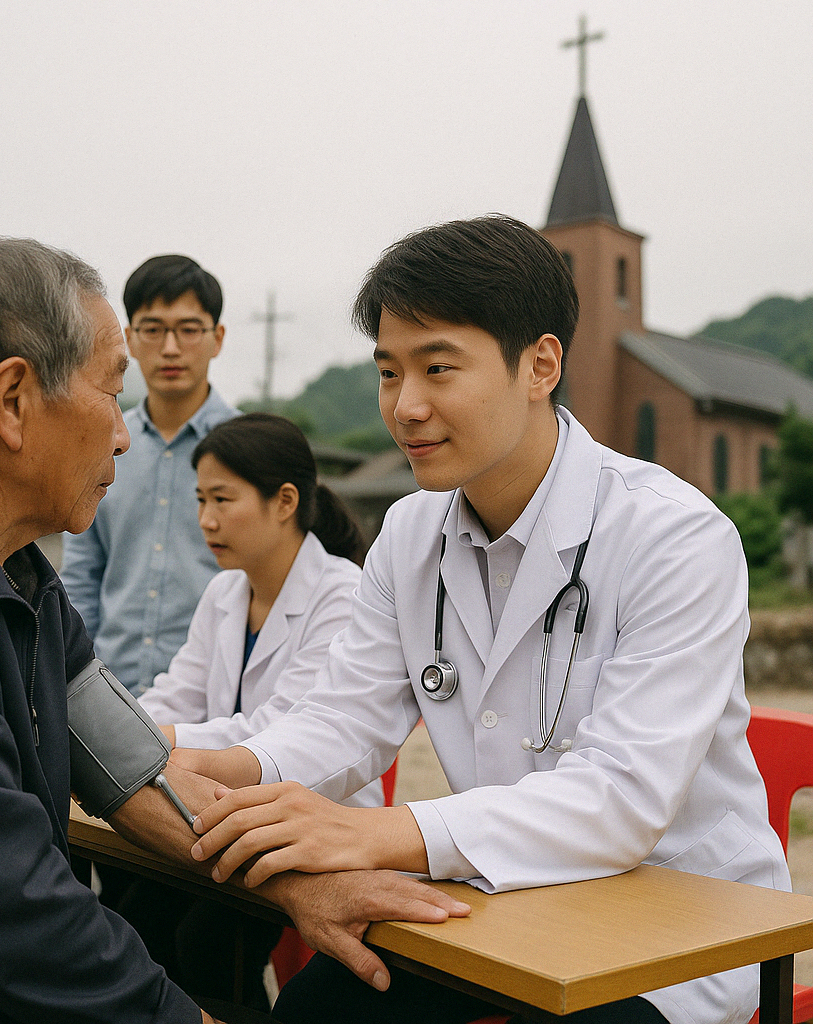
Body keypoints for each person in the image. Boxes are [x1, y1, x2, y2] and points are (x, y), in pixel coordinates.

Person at [0, 237, 471, 1024]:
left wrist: (297, 882)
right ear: (13, 400)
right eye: (113, 394)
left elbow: (135, 769)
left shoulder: (17, 576)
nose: (123, 434)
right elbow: (9, 908)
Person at [175, 216, 791, 1024]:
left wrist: (375, 835)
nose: (407, 406)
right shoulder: (410, 532)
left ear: (540, 365)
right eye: (389, 373)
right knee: (316, 1011)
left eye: (438, 368)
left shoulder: (674, 535)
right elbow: (344, 718)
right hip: (504, 898)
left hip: (671, 927)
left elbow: (621, 799)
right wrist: (234, 769)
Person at [128, 412, 375, 1010]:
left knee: (207, 941)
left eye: (223, 499)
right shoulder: (226, 591)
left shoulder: (342, 594)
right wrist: (125, 725)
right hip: (219, 810)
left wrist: (153, 737)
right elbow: (177, 691)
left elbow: (280, 728)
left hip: (312, 815)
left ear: (285, 501)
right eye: (200, 500)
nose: (206, 520)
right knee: (134, 911)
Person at [62, 254, 238, 698]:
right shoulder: (99, 444)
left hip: (216, 694)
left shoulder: (250, 452)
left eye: (189, 329)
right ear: (129, 339)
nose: (171, 347)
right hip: (109, 689)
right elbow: (81, 576)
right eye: (153, 329)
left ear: (217, 338)